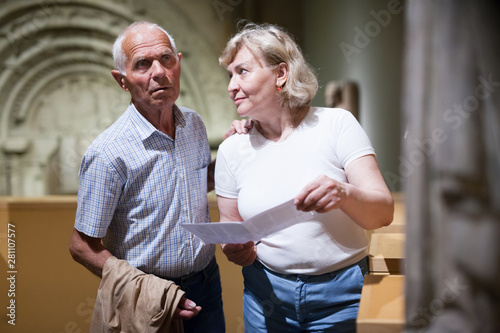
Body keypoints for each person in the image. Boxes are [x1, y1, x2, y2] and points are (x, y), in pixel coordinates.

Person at [215, 22, 394, 332]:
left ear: (281, 74)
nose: (231, 85)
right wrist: (235, 249)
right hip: (264, 297)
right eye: (229, 75)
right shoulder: (232, 148)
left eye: (242, 71)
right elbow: (231, 227)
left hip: (343, 296)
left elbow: (383, 213)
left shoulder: (336, 124)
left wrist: (344, 193)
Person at [69, 21, 226, 332]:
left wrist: (243, 145)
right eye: (143, 64)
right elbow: (81, 245)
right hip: (147, 295)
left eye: (166, 59)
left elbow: (196, 181)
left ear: (178, 63)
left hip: (206, 282)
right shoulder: (108, 153)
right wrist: (148, 290)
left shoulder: (193, 124)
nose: (159, 72)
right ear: (122, 81)